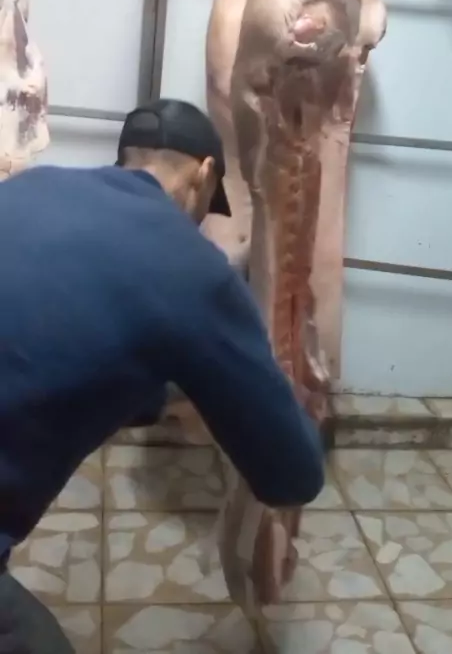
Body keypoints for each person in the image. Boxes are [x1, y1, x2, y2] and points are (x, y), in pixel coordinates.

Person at [0, 98, 325, 653]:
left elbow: (65, 336)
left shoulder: (29, 188)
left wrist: (167, 397)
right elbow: (292, 477)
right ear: (204, 175)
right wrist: (287, 409)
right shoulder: (192, 267)